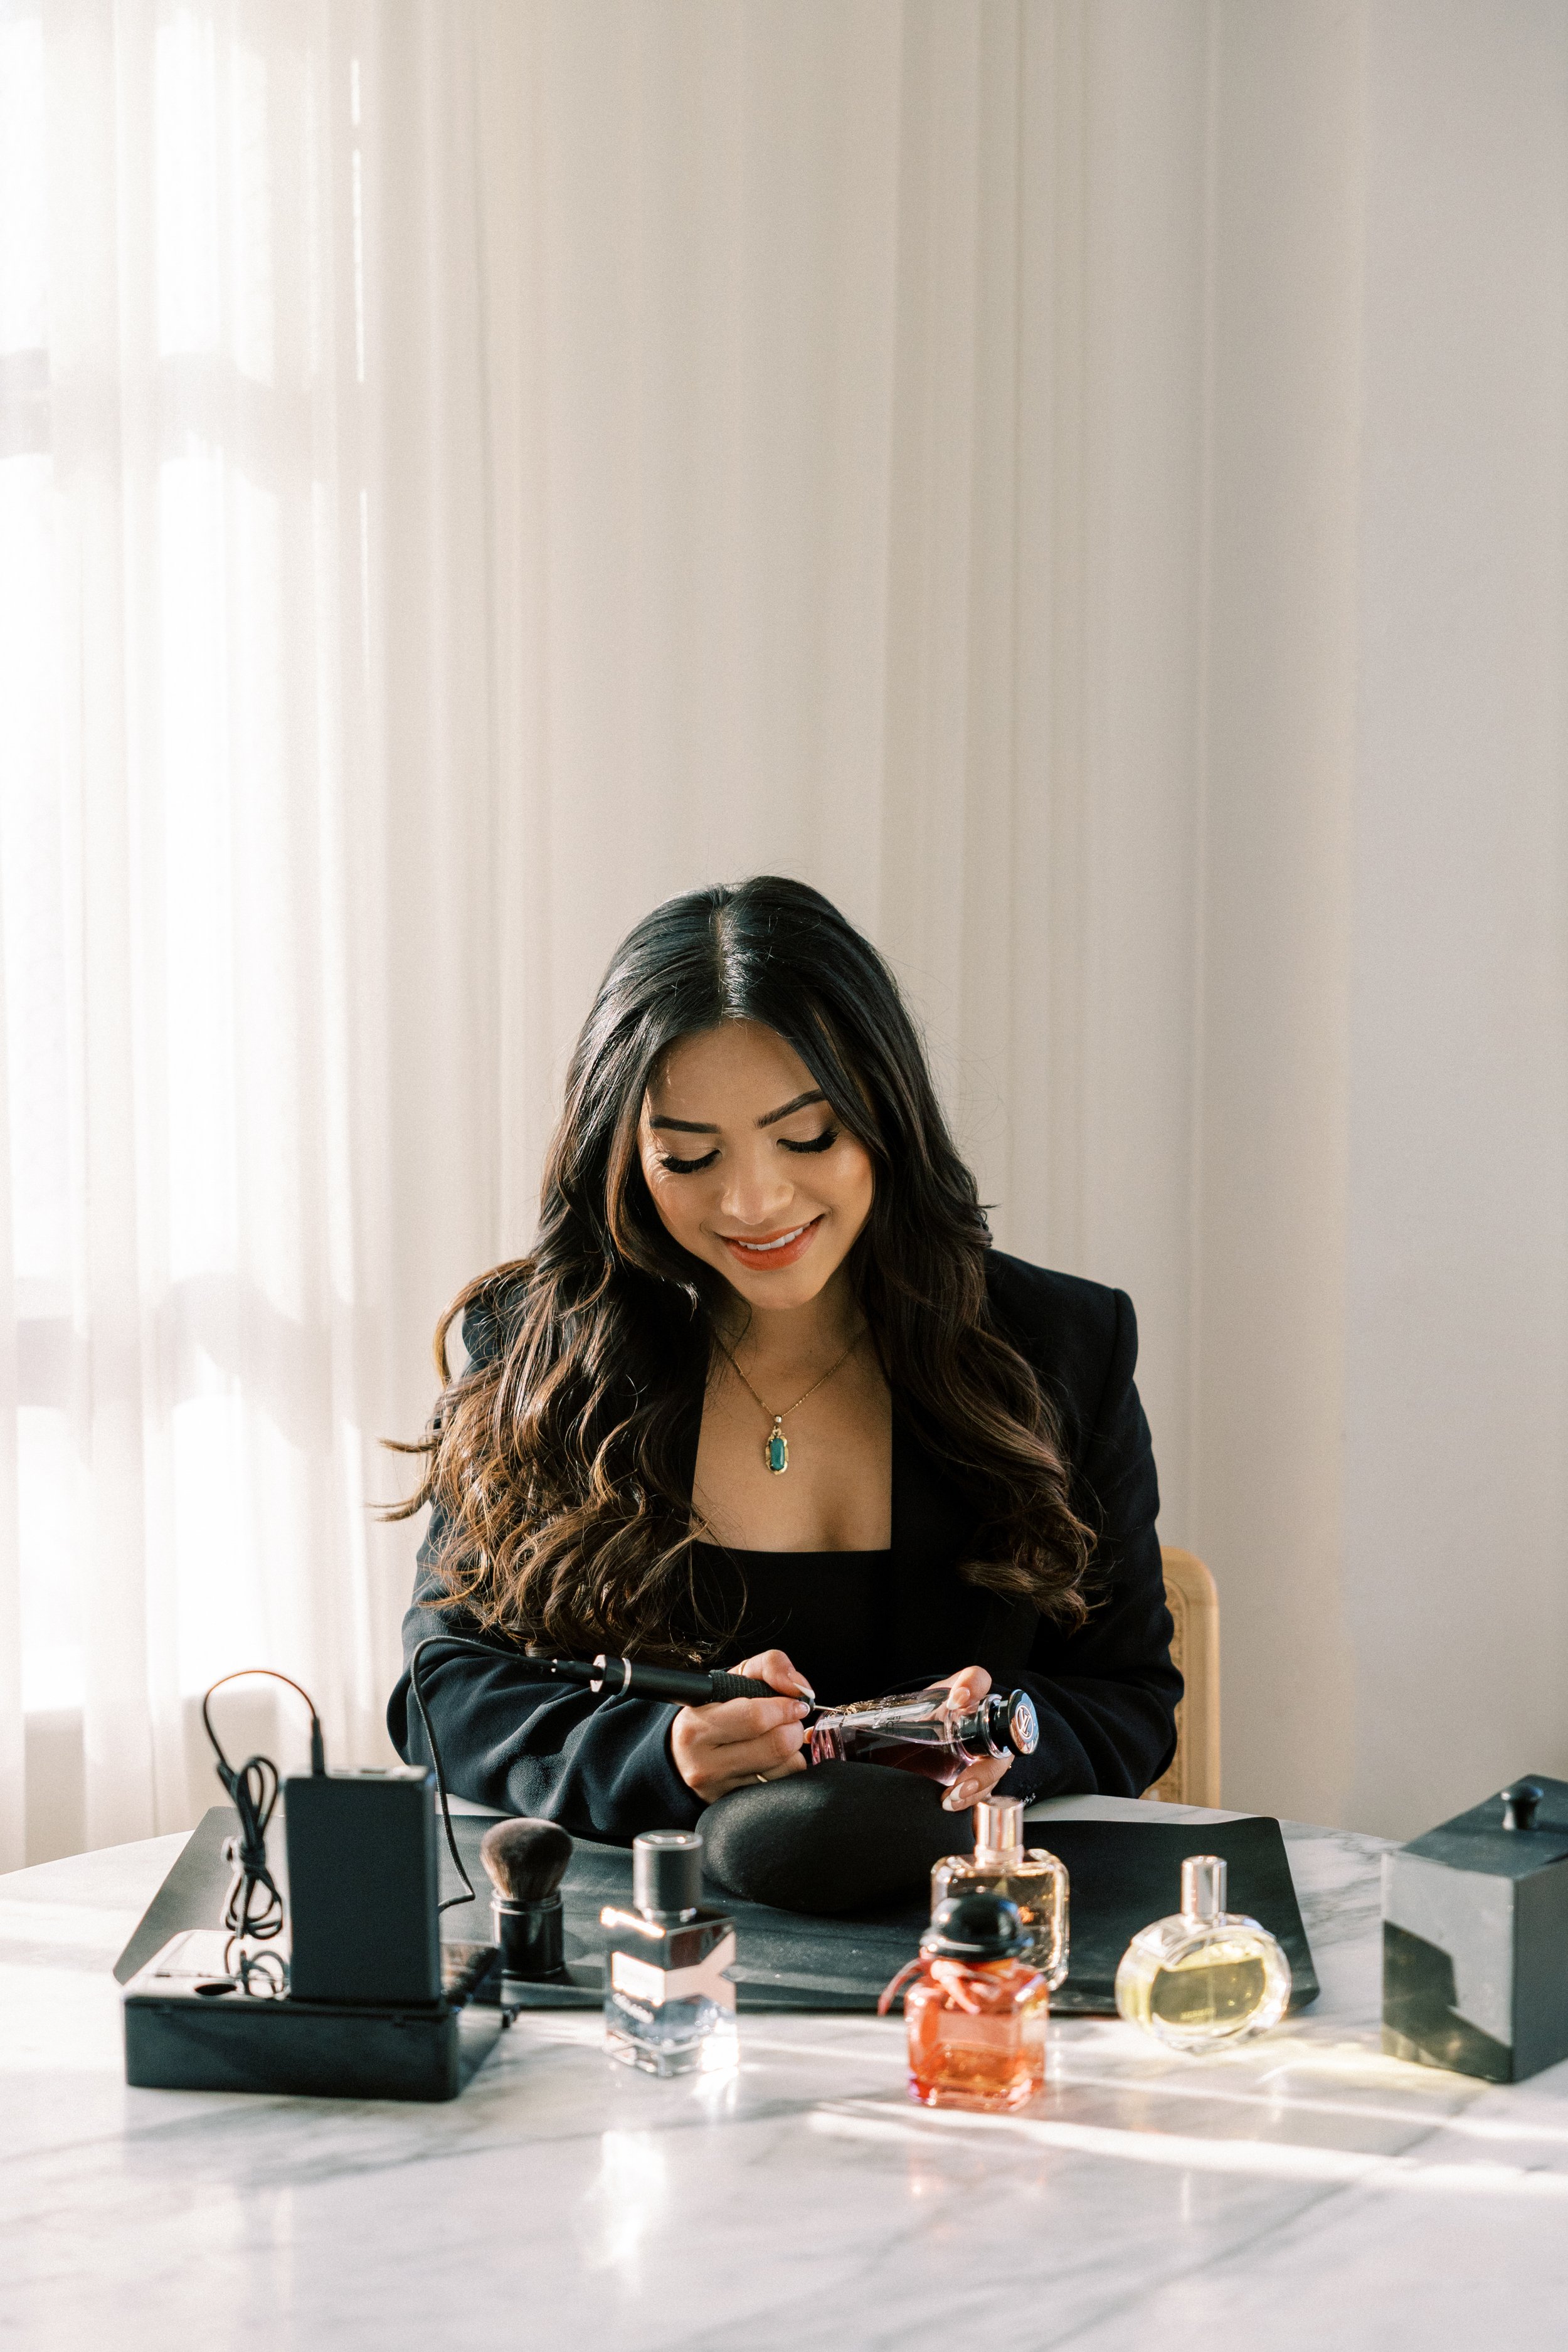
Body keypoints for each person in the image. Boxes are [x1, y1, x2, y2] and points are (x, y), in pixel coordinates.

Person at [386, 876, 1179, 1844]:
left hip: (967, 1911)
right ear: (624, 1155)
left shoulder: (1061, 1344)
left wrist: (1013, 1733)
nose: (754, 1203)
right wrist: (660, 1755)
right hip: (646, 1918)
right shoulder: (543, 1350)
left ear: (886, 1111)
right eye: (690, 1157)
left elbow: (1130, 1697)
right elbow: (441, 1688)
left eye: (806, 1136)